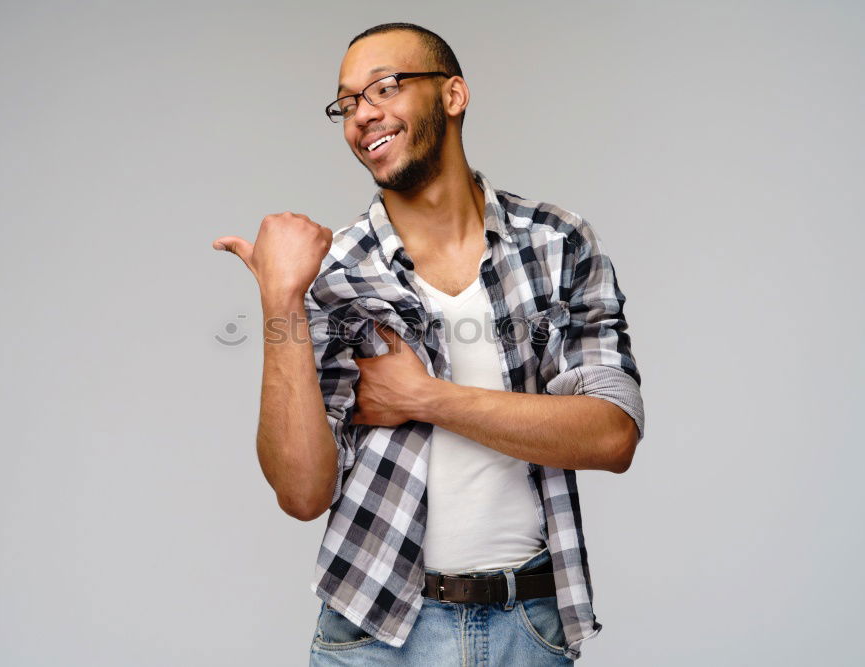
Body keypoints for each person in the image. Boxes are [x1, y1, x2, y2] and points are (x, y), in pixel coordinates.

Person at [213, 22, 645, 665]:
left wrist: (427, 397)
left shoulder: (557, 242)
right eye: (347, 103)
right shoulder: (333, 271)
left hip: (531, 628)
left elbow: (610, 435)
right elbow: (301, 492)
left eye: (384, 86)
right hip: (377, 629)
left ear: (453, 95)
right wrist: (280, 301)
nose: (363, 115)